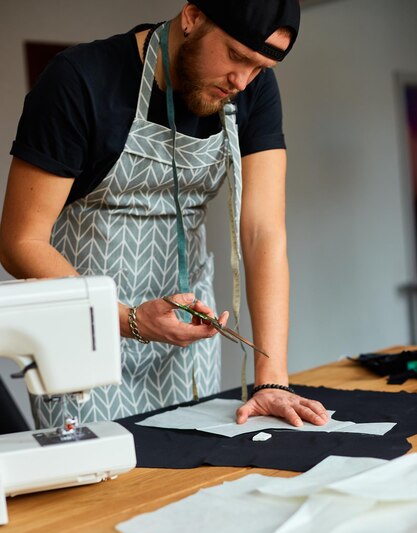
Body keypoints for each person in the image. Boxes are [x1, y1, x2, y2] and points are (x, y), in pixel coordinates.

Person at [0, 0, 328, 429]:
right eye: (236, 56)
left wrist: (273, 379)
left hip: (185, 342)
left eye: (260, 69)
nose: (242, 81)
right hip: (87, 332)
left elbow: (263, 231)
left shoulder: (253, 90)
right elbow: (19, 242)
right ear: (192, 18)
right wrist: (130, 320)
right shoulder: (80, 80)